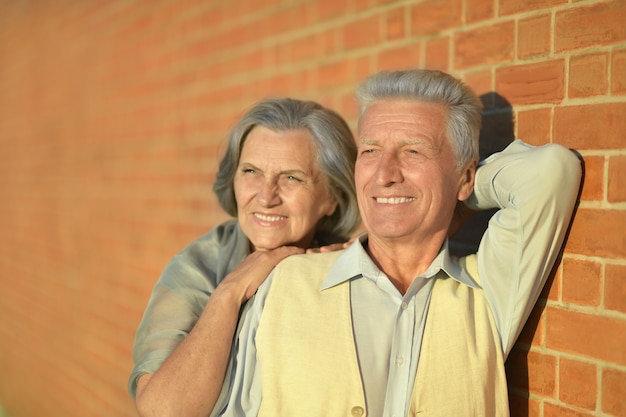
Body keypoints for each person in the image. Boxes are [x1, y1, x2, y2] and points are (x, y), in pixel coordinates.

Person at [212, 69, 582, 417]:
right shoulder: (284, 283)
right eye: (370, 151)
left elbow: (551, 171)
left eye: (413, 151)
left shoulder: (488, 293)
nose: (384, 175)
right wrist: (434, 192)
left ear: (466, 175)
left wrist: (454, 191)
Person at [129, 97, 361, 417]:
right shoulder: (196, 267)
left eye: (292, 177)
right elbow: (164, 410)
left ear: (333, 197)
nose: (266, 197)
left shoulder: (349, 267)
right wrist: (230, 292)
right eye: (251, 171)